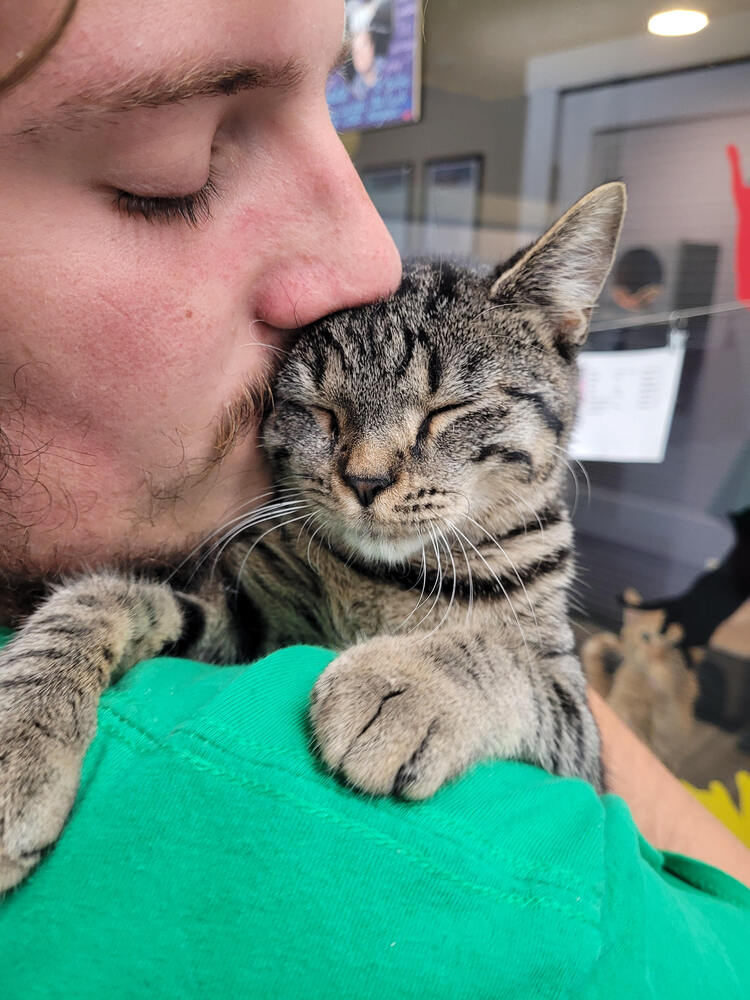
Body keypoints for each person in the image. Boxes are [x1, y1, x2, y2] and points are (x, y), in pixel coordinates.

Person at [1, 2, 749, 997]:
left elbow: (563, 719)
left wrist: (493, 676)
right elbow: (206, 623)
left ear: (561, 344)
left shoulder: (520, 535)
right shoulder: (510, 904)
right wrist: (72, 640)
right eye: (172, 172)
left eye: (447, 414)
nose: (366, 474)